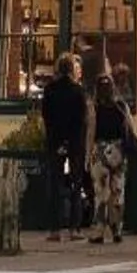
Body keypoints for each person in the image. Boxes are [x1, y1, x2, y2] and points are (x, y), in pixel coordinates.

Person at [39, 51, 90, 240]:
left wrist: (58, 140)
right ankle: (74, 228)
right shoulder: (78, 91)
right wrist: (72, 142)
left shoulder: (50, 90)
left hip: (55, 141)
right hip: (75, 142)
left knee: (55, 184)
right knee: (76, 184)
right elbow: (81, 120)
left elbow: (47, 117)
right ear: (71, 70)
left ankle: (54, 229)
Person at [87, 70, 136, 244]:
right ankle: (117, 229)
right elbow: (131, 128)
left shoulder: (94, 107)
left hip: (100, 151)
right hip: (119, 151)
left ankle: (99, 230)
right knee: (117, 191)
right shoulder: (122, 106)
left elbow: (91, 132)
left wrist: (87, 156)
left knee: (101, 193)